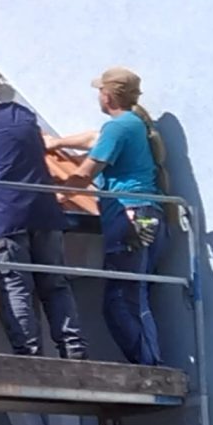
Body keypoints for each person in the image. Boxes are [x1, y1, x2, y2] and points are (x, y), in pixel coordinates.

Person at [0, 66, 84, 359]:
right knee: (55, 283)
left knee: (16, 284)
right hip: (45, 211)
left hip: (6, 214)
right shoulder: (25, 116)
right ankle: (73, 350)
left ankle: (29, 355)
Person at [49, 65, 169, 366]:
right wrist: (57, 142)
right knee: (135, 293)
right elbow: (94, 138)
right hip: (148, 215)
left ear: (108, 96)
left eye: (100, 91)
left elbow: (86, 173)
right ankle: (150, 362)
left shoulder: (118, 127)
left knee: (121, 300)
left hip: (130, 218)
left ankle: (149, 367)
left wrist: (56, 197)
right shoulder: (133, 124)